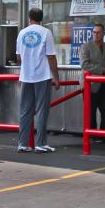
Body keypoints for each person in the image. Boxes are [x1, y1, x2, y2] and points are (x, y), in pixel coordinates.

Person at [16, 9, 60, 153]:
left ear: (29, 18)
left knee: (25, 110)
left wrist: (26, 66)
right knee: (42, 110)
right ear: (42, 18)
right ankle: (40, 143)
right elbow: (51, 57)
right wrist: (56, 77)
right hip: (42, 75)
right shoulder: (46, 32)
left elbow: (18, 57)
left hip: (26, 76)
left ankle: (22, 143)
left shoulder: (22, 33)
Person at [80, 23, 105, 134]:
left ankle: (104, 134)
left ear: (103, 33)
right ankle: (91, 134)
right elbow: (85, 65)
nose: (96, 34)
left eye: (98, 32)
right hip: (90, 84)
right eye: (94, 32)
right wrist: (103, 70)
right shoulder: (86, 46)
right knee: (91, 111)